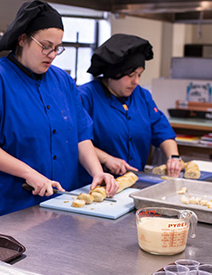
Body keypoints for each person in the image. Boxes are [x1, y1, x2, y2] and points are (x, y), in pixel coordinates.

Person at [0, 0, 117, 219]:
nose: (52, 54)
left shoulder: (63, 81)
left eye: (57, 48)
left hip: (60, 203)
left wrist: (97, 171)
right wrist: (29, 174)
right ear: (22, 39)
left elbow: (80, 135)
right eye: (45, 46)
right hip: (5, 205)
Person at [78, 34, 182, 178]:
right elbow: (76, 139)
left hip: (134, 180)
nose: (136, 81)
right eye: (131, 75)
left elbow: (161, 130)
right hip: (94, 183)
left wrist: (173, 157)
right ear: (113, 73)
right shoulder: (86, 97)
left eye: (139, 75)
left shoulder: (142, 96)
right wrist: (106, 159)